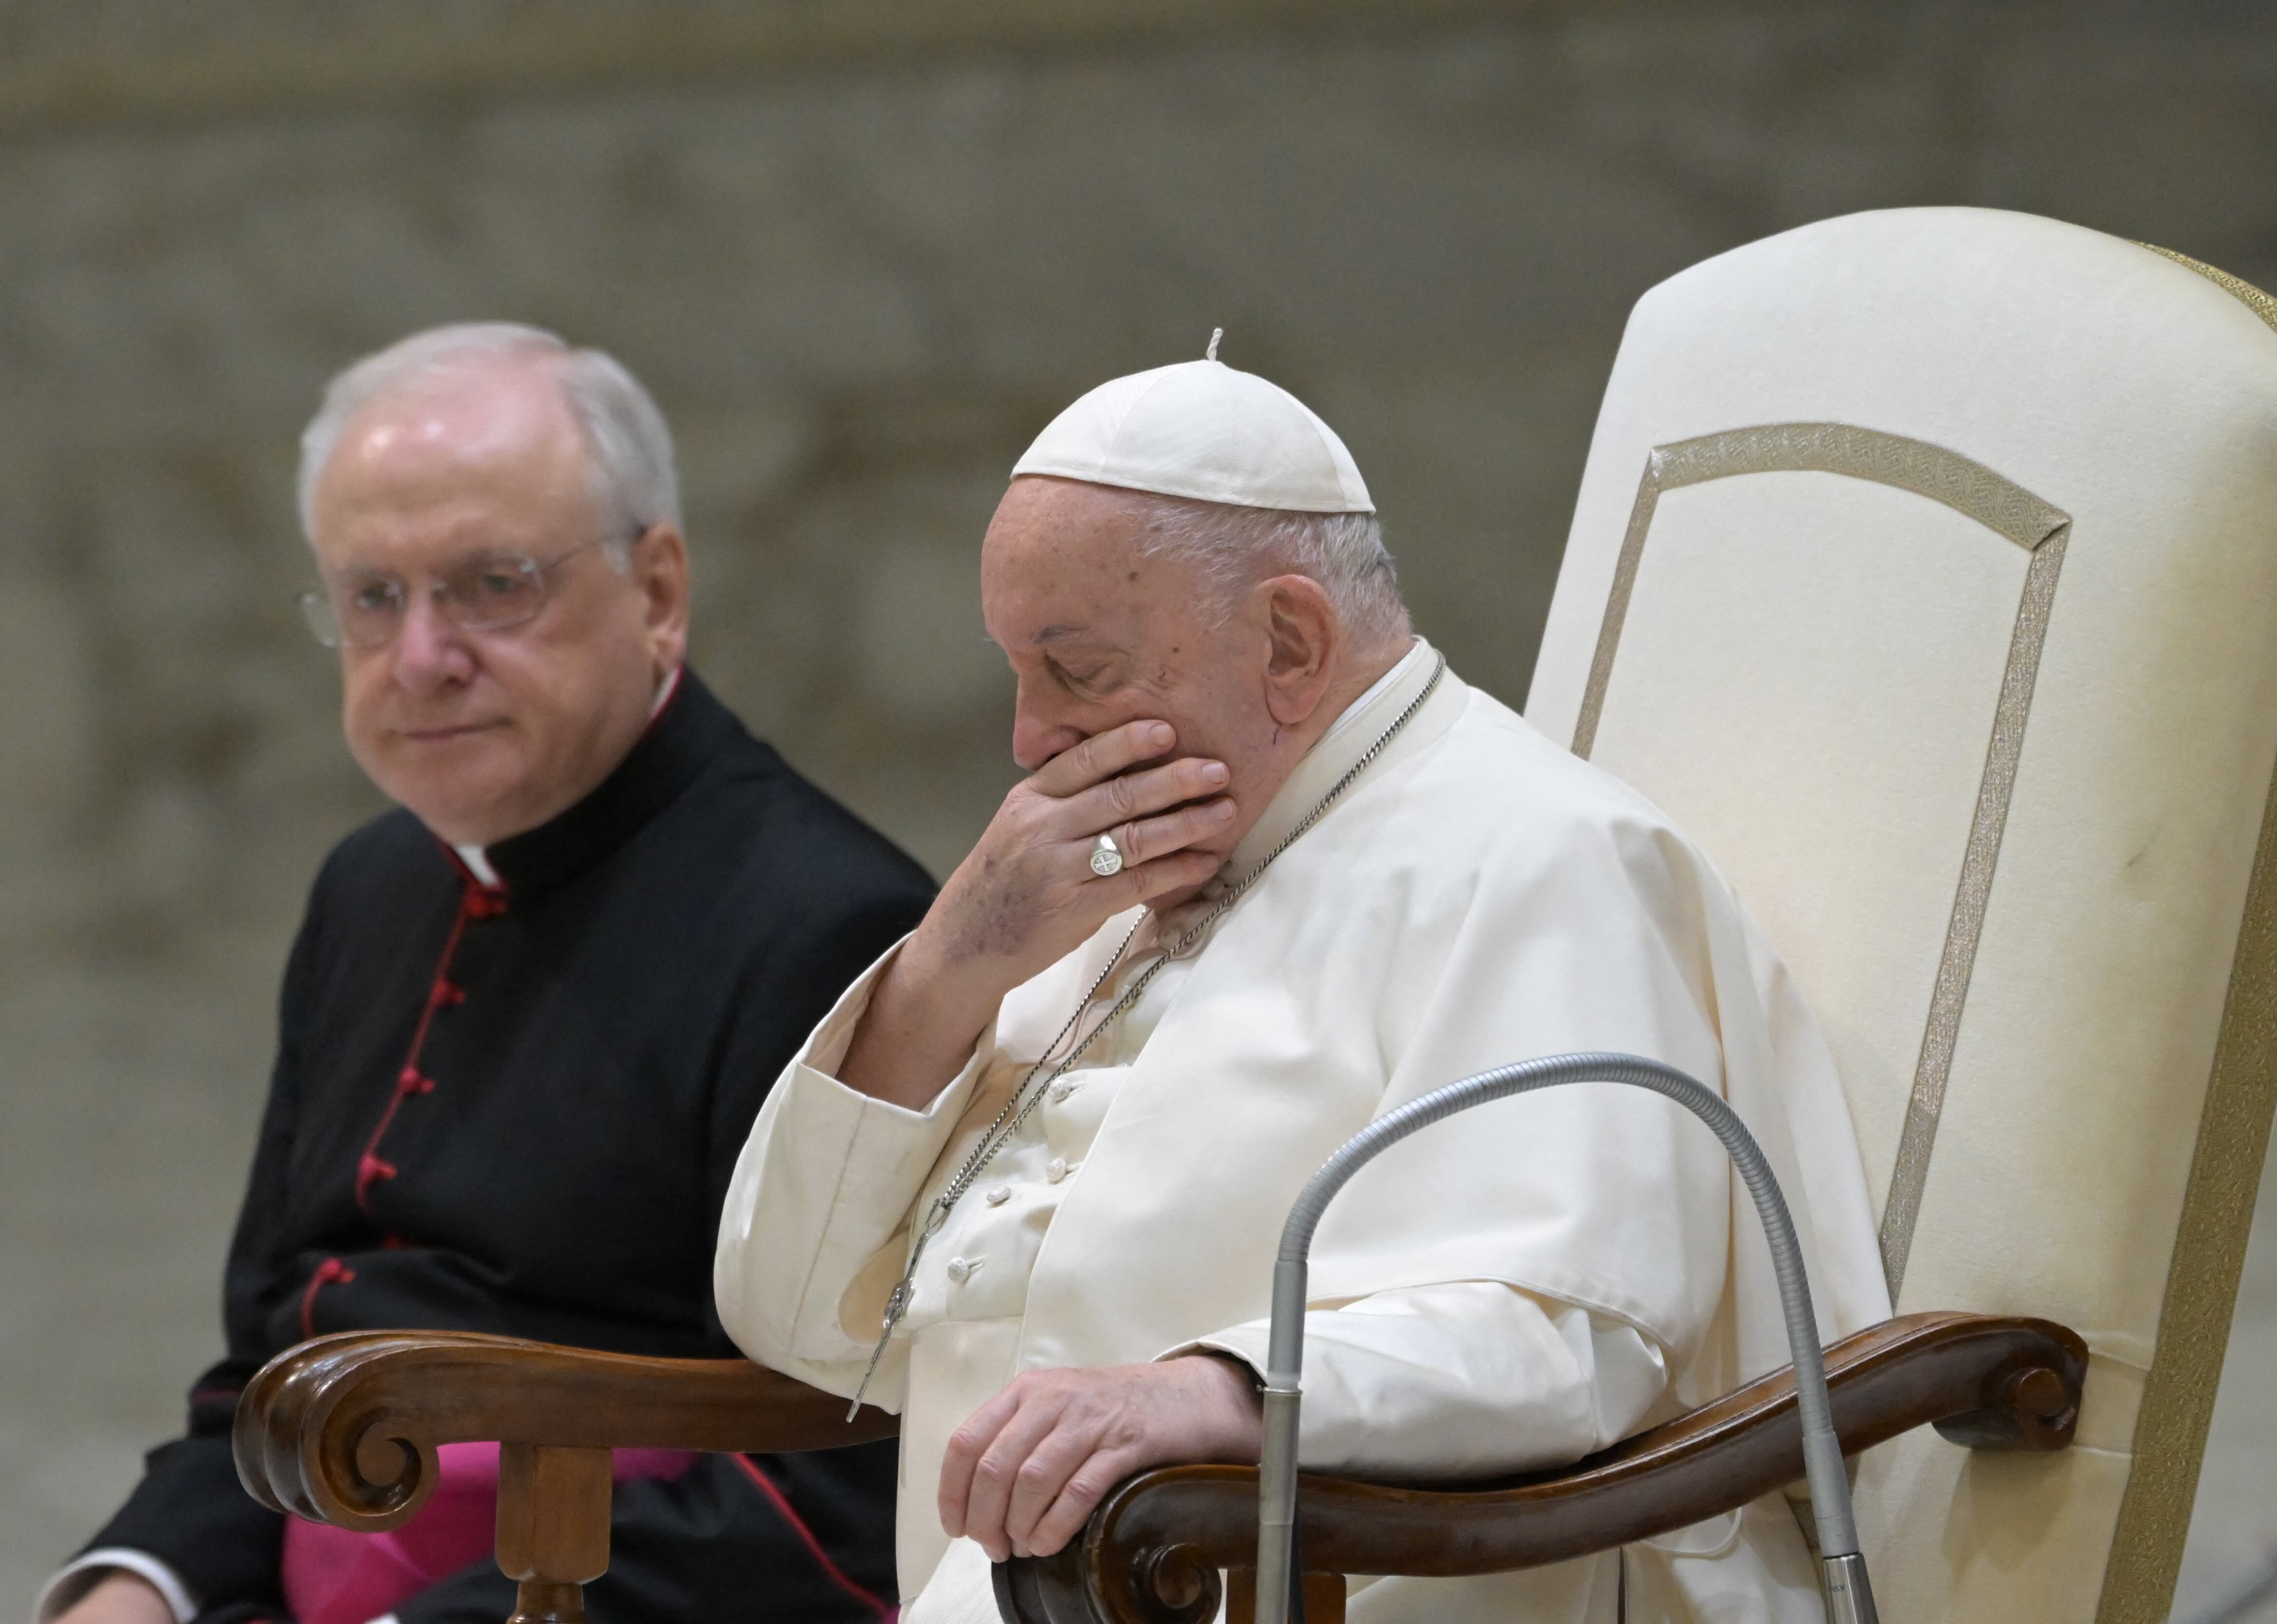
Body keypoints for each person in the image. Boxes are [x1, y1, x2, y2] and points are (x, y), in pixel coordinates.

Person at [713, 349, 1892, 1623]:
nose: (1029, 738)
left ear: (1290, 641)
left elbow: (1575, 1339)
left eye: (1078, 669)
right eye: (1016, 669)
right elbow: (797, 1312)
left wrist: (1224, 1391)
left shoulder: (1547, 860)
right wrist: (956, 961)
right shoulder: (1118, 870)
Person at [42, 324, 935, 1624]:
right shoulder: (369, 887)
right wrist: (135, 1588)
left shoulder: (832, 922)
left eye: (491, 584)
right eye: (371, 597)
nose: (420, 657)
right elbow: (267, 1371)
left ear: (658, 590)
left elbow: (834, 1496)